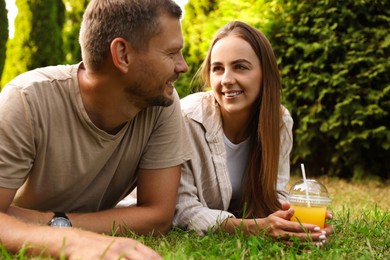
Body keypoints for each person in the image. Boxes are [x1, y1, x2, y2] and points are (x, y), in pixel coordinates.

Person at [0, 0, 190, 258]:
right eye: (171, 53)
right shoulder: (26, 101)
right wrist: (73, 243)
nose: (183, 66)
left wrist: (59, 224)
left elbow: (157, 216)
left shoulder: (162, 102)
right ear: (122, 55)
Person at [173, 21, 333, 244]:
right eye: (217, 68)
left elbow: (275, 193)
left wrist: (291, 218)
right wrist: (254, 228)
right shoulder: (187, 118)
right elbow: (181, 208)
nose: (227, 80)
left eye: (240, 67)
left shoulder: (278, 121)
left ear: (265, 74)